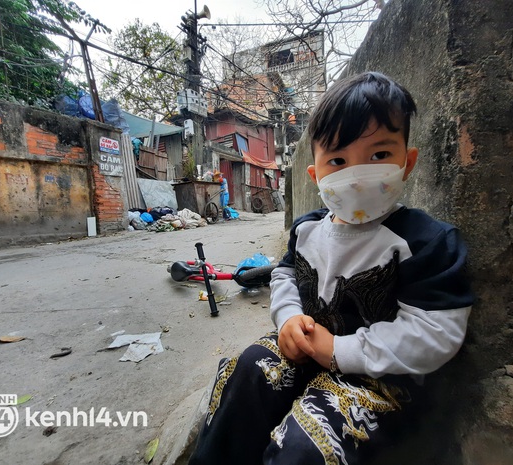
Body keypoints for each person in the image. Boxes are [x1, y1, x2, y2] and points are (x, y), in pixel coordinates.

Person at [188, 72, 474, 465]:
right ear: (316, 175)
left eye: (378, 156)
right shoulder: (306, 230)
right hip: (304, 352)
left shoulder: (426, 242)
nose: (356, 177)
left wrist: (338, 350)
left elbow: (435, 331)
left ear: (407, 163)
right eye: (338, 161)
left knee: (306, 447)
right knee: (246, 371)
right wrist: (288, 318)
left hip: (380, 381)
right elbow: (285, 275)